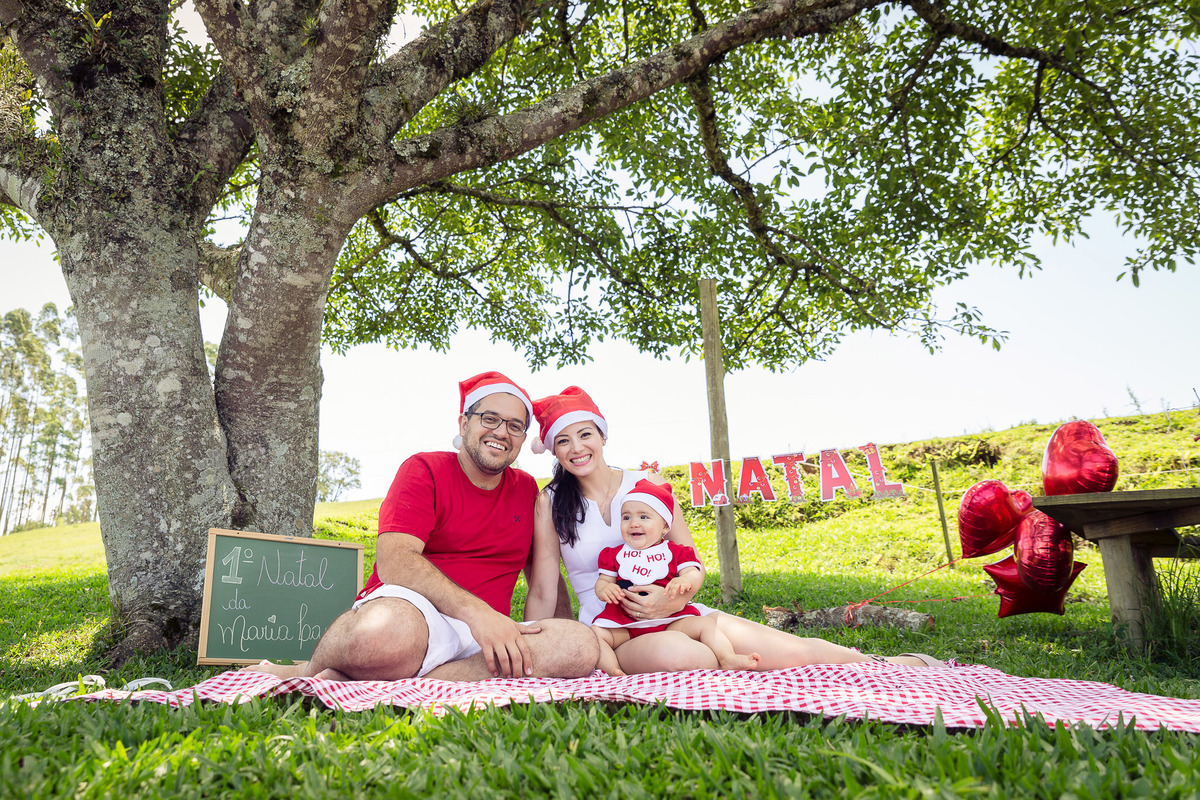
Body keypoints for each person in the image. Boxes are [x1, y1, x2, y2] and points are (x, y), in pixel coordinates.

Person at [524, 386, 946, 673]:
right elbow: (544, 589)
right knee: (685, 657)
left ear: (602, 435)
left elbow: (692, 563)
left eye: (584, 434)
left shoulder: (647, 487)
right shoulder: (551, 503)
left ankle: (888, 667)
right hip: (614, 629)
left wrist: (671, 601)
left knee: (793, 651)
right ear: (554, 450)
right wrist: (532, 648)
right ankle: (716, 659)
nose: (576, 448)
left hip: (680, 613)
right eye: (562, 441)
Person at [248, 372, 599, 681]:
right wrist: (477, 612)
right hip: (415, 612)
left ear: (523, 438)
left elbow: (544, 577)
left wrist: (557, 627)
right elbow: (394, 560)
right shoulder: (424, 470)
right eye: (489, 419)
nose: (501, 432)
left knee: (579, 645)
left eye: (514, 426)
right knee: (380, 636)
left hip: (484, 638)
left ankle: (414, 678)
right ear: (464, 424)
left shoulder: (526, 490)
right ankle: (307, 671)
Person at [591, 479, 760, 675]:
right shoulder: (614, 554)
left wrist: (685, 580)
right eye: (626, 517)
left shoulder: (676, 552)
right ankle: (614, 671)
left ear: (664, 526)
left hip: (671, 620)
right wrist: (604, 589)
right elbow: (604, 580)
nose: (633, 523)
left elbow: (692, 572)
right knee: (597, 634)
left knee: (705, 624)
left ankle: (727, 657)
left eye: (644, 517)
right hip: (625, 623)